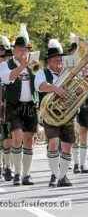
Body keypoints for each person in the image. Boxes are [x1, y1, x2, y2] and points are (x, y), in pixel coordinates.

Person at [0, 24, 39, 186]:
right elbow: (7, 79)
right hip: (13, 105)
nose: (24, 53)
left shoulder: (34, 65)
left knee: (29, 139)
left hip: (30, 105)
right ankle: (16, 173)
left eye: (26, 50)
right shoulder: (4, 65)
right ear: (15, 50)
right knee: (16, 137)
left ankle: (26, 174)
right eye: (21, 50)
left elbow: (40, 84)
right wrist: (22, 66)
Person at [35, 39, 76, 187]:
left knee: (67, 145)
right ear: (50, 61)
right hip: (50, 113)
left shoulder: (69, 72)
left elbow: (79, 89)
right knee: (53, 142)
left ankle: (63, 176)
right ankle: (54, 175)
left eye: (61, 59)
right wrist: (55, 88)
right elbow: (40, 86)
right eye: (56, 59)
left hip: (68, 112)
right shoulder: (42, 72)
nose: (59, 61)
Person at [70, 34, 88, 174]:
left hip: (85, 98)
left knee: (84, 130)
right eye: (75, 51)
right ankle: (75, 163)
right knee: (74, 130)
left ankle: (83, 163)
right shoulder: (68, 63)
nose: (77, 54)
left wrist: (87, 74)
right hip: (71, 99)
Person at [0, 35, 14, 181]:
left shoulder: (8, 69)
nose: (4, 59)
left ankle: (8, 166)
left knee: (7, 137)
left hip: (7, 106)